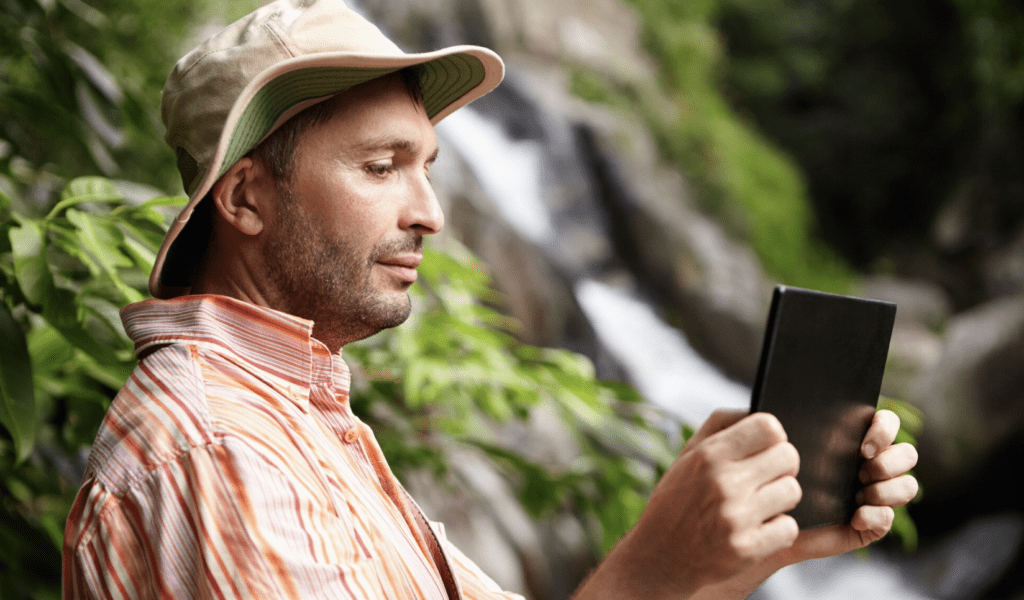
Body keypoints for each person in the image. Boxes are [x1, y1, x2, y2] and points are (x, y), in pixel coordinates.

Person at [61, 0, 919, 598]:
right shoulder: (220, 451)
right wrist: (655, 565)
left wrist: (733, 550)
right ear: (244, 198)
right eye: (380, 166)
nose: (429, 213)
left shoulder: (296, 417)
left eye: (426, 166)